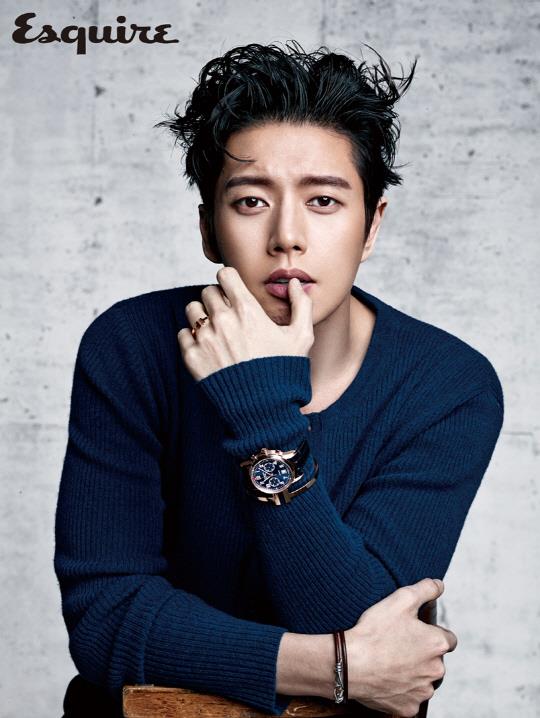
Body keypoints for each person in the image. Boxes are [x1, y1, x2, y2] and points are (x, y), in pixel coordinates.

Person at [55, 41, 503, 717]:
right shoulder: (131, 347)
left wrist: (262, 413)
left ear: (371, 226)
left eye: (323, 201)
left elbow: (357, 613)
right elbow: (105, 621)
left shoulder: (448, 386)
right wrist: (338, 666)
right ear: (208, 229)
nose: (287, 236)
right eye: (250, 201)